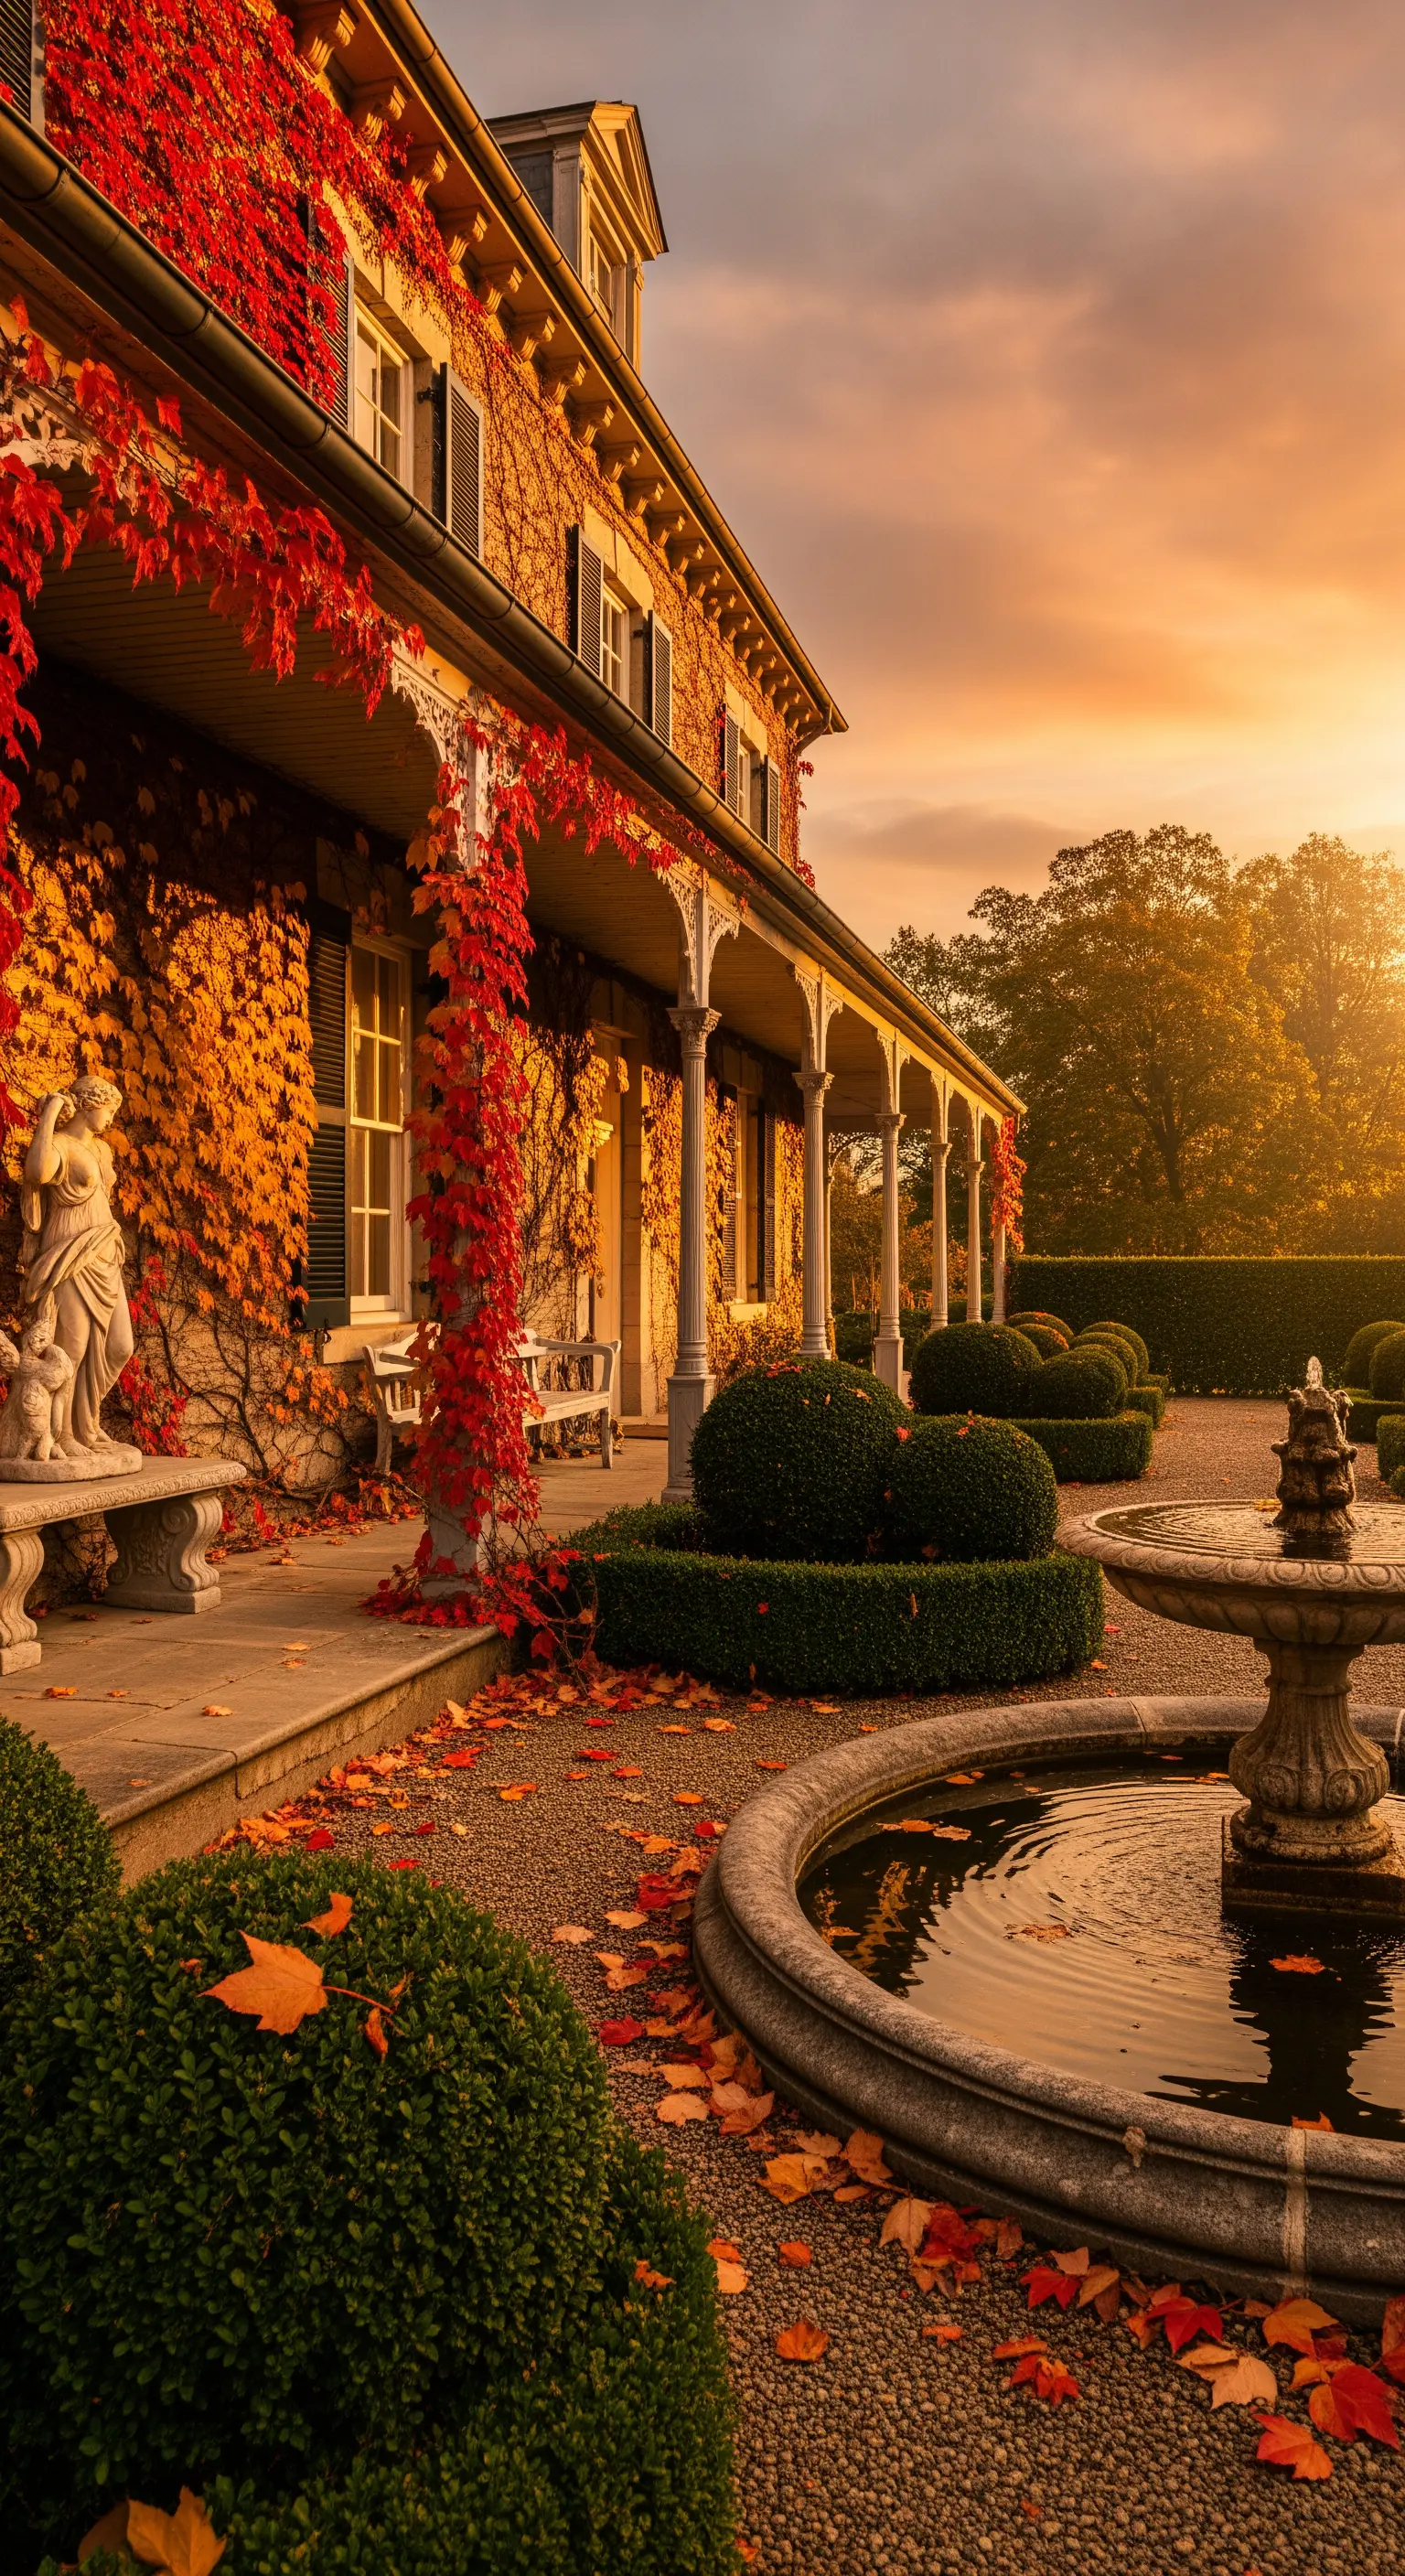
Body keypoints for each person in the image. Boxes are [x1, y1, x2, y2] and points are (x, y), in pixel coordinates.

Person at [21, 1075, 134, 1459]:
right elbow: (36, 1174)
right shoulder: (59, 1145)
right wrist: (50, 1113)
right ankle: (61, 1433)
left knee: (119, 1345)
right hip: (69, 1252)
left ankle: (87, 1423)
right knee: (70, 1348)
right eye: (108, 1110)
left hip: (103, 1251)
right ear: (88, 1105)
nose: (110, 1119)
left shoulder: (103, 1151)